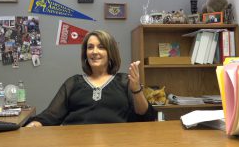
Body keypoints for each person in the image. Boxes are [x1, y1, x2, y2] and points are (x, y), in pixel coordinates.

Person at [26, 30, 156, 127]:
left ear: (110, 53)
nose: (94, 52)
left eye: (101, 47)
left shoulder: (124, 81)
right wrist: (34, 124)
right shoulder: (73, 83)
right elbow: (50, 116)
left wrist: (136, 90)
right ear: (85, 54)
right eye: (90, 47)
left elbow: (145, 115)